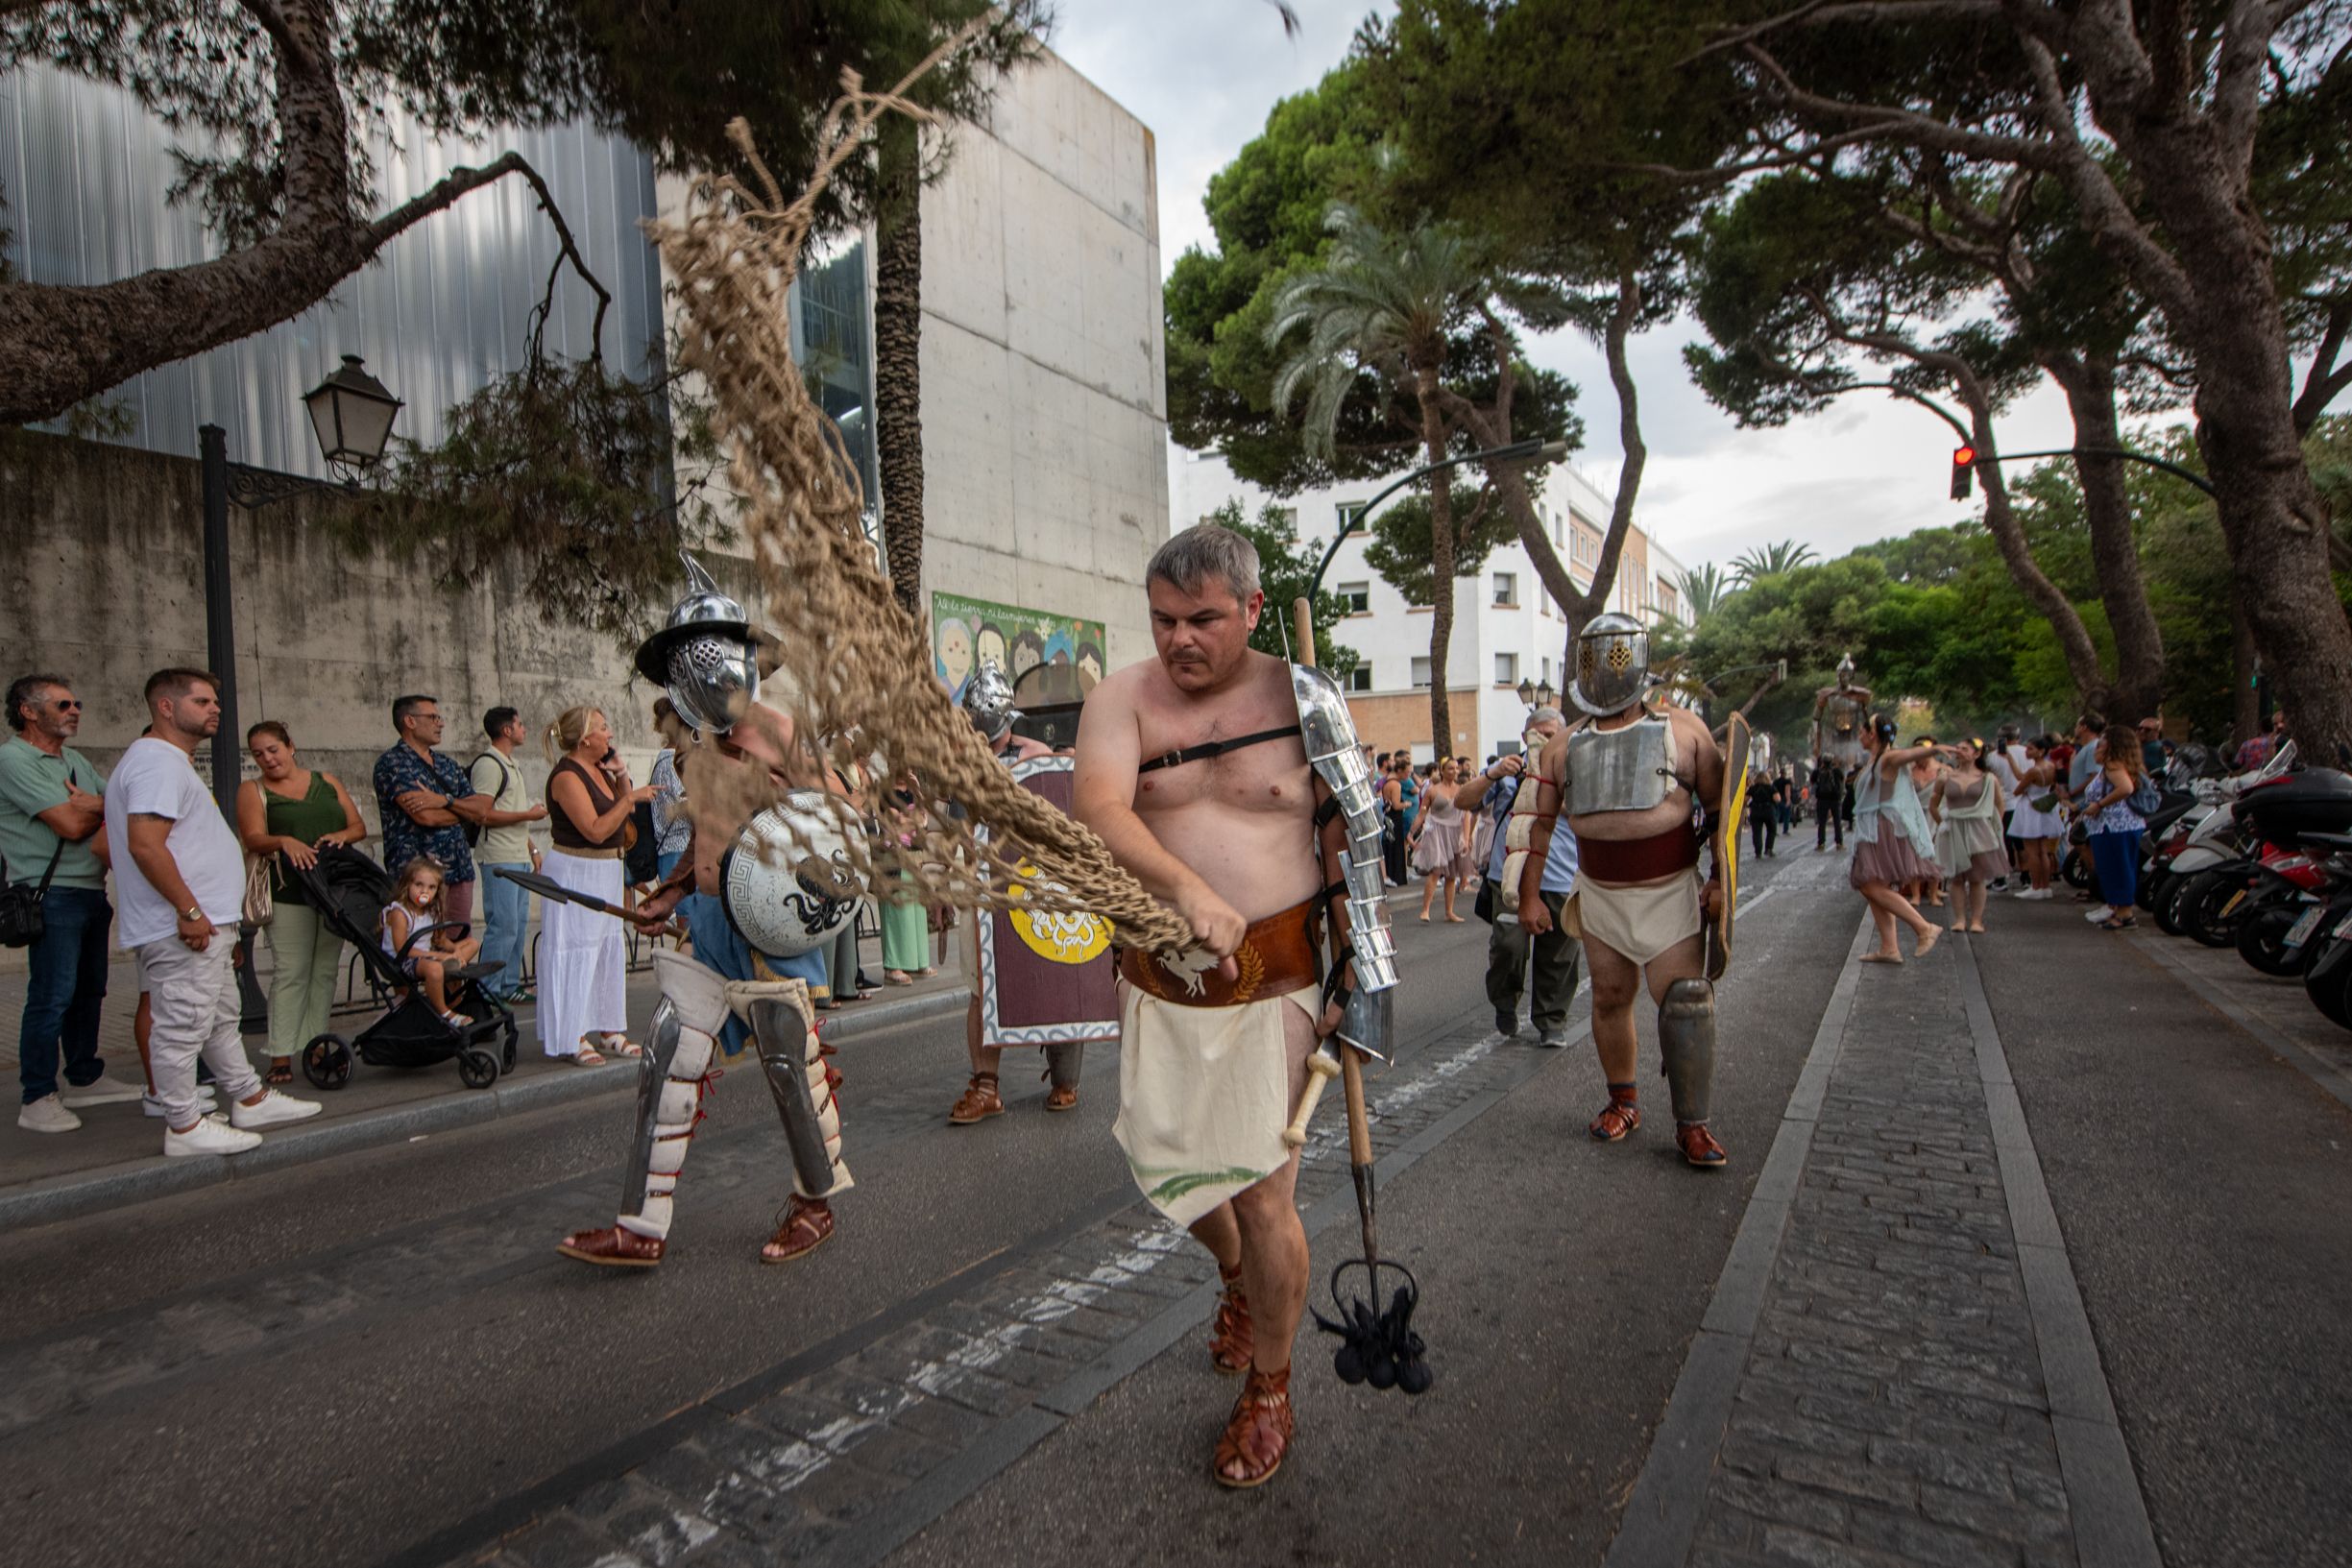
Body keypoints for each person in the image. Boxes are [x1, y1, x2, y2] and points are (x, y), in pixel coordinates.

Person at [1074, 522, 1395, 1488]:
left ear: (1252, 610)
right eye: (1164, 620)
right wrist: (1187, 892)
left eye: (1204, 619)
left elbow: (1358, 844)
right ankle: (1235, 1282)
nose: (1180, 639)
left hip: (1279, 976)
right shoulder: (1120, 697)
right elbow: (1099, 806)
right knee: (1167, 1166)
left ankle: (1269, 1385)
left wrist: (1362, 984)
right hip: (1159, 979)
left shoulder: (1305, 701)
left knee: (1262, 1191)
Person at [558, 554, 853, 1268]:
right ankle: (641, 1226)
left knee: (791, 1061)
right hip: (715, 925)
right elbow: (711, 841)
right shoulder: (697, 752)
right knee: (667, 1054)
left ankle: (815, 1202)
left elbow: (839, 819)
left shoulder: (779, 731)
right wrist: (671, 891)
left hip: (773, 924)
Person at [1515, 613, 1730, 1168]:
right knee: (1610, 998)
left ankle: (1693, 1124)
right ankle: (1623, 1101)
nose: (1606, 670)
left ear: (1634, 658)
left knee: (1684, 1003)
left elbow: (1720, 814)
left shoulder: (1685, 731)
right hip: (1601, 891)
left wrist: (1718, 882)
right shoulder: (1562, 746)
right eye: (1596, 657)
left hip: (1669, 890)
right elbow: (1541, 828)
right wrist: (1531, 896)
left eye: (1614, 656)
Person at [105, 668, 320, 1156]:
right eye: (201, 701)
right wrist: (188, 909)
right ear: (165, 706)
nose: (214, 710)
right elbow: (145, 844)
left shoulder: (169, 762)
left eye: (213, 702)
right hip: (184, 924)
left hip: (204, 922)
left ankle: (249, 1096)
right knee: (181, 1024)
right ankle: (183, 1125)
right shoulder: (157, 763)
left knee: (219, 1018)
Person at [949, 663, 1110, 1123]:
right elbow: (960, 831)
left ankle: (1065, 1078)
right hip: (985, 889)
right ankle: (985, 1086)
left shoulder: (1038, 757)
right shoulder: (966, 765)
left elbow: (1064, 815)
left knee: (1056, 972)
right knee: (983, 989)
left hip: (1037, 884)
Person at [4, 673, 128, 1131]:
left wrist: (92, 804)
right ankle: (36, 1095)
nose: (74, 710)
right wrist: (95, 807)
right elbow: (70, 826)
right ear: (28, 711)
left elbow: (125, 804)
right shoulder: (13, 759)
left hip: (92, 889)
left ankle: (84, 1076)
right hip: (50, 893)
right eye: (62, 705)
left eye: (76, 703)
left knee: (90, 990)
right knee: (51, 996)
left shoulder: (74, 759)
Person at [234, 720, 367, 1084]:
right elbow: (252, 838)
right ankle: (280, 1053)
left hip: (331, 890)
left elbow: (358, 827)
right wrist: (283, 841)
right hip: (288, 891)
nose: (267, 759)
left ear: (290, 746)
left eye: (272, 750)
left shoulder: (326, 782)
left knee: (324, 971)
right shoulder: (254, 790)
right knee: (290, 972)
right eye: (258, 754)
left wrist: (339, 835)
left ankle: (316, 1044)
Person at [1457, 709, 1582, 1046]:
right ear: (1526, 734)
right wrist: (1492, 774)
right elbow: (1462, 800)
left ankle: (1551, 1021)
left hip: (1559, 880)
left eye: (1551, 733)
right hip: (1507, 879)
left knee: (1558, 956)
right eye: (1537, 732)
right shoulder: (1509, 771)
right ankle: (1504, 1001)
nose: (1543, 738)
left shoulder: (1574, 769)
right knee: (1508, 949)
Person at [539, 706, 648, 1065]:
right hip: (576, 869)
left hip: (605, 869)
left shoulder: (599, 769)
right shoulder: (567, 777)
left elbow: (623, 817)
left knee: (605, 951)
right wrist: (630, 797)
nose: (610, 734)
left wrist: (621, 777)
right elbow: (595, 829)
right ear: (585, 738)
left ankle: (609, 1029)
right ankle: (573, 1034)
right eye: (604, 728)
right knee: (577, 950)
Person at [373, 694, 493, 926]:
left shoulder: (447, 764)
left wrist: (444, 801)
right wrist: (461, 811)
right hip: (417, 875)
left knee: (457, 944)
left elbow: (480, 810)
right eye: (433, 717)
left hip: (459, 870)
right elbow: (425, 816)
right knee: (420, 945)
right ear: (410, 721)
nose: (441, 723)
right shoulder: (393, 764)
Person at [1847, 714, 1944, 963]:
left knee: (1869, 885)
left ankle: (1924, 928)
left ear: (1873, 734)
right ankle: (1889, 947)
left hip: (1880, 827)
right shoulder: (1875, 759)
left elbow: (1905, 756)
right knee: (1874, 887)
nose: (1859, 735)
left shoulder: (1887, 757)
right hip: (1873, 826)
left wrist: (1933, 749)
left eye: (1862, 731)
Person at [470, 707, 547, 1002]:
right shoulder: (489, 765)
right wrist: (529, 813)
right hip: (499, 856)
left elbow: (509, 812)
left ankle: (509, 985)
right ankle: (487, 991)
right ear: (506, 730)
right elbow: (484, 814)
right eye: (519, 724)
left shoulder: (510, 764)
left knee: (517, 923)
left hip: (518, 854)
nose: (524, 729)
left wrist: (533, 848)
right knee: (502, 925)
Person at [380, 856, 483, 1021]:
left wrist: (455, 951)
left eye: (431, 887)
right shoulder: (400, 913)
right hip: (403, 958)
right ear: (407, 885)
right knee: (434, 968)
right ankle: (445, 1012)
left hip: (427, 954)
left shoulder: (431, 911)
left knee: (472, 943)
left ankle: (450, 965)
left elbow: (441, 941)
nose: (424, 892)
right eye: (419, 885)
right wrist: (440, 956)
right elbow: (403, 949)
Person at [1930, 739, 2007, 934]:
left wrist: (1992, 826)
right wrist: (1943, 824)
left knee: (1977, 877)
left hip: (1979, 831)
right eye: (1957, 748)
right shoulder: (1945, 777)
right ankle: (1959, 919)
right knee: (1956, 877)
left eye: (1964, 749)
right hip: (1954, 828)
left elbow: (1999, 805)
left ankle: (1977, 920)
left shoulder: (1988, 778)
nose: (1958, 751)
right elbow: (1933, 804)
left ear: (1976, 754)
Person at [2078, 733, 2149, 929]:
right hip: (2115, 826)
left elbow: (2125, 788)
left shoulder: (2113, 766)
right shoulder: (2117, 766)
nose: (2096, 749)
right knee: (2116, 868)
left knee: (2118, 868)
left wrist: (2099, 805)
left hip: (2115, 826)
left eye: (2101, 746)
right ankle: (2119, 908)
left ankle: (2125, 913)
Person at [878, 775, 934, 984]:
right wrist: (916, 820)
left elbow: (925, 819)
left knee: (916, 912)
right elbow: (900, 820)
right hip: (895, 855)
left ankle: (917, 961)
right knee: (898, 912)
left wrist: (918, 789)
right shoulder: (885, 791)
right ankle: (894, 966)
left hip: (913, 853)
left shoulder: (912, 792)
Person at [1409, 757, 1471, 922]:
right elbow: (1422, 813)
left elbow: (1466, 816)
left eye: (1456, 768)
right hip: (1437, 832)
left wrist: (1466, 838)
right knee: (1436, 871)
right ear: (1442, 771)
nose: (1454, 771)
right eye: (1450, 768)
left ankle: (1449, 912)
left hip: (1454, 832)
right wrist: (1412, 832)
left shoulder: (1461, 789)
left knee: (1451, 875)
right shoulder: (1433, 790)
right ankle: (1425, 910)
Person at [1812, 755, 1846, 851]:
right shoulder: (1837, 771)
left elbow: (1812, 781)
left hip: (1822, 800)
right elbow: (1842, 779)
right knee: (1837, 822)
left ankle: (1821, 844)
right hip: (1835, 799)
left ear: (1822, 762)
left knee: (1822, 823)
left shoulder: (1817, 771)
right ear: (1832, 761)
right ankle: (1839, 843)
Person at [1746, 768, 1778, 860]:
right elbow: (1777, 798)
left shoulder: (1753, 788)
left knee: (1756, 832)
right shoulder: (1771, 787)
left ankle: (1758, 852)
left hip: (1756, 811)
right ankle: (1769, 849)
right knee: (1772, 830)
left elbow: (1745, 799)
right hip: (1769, 810)